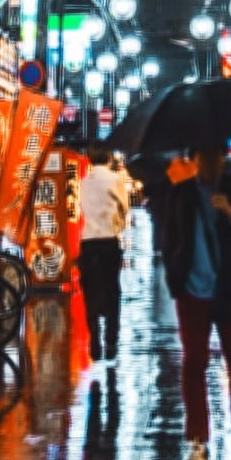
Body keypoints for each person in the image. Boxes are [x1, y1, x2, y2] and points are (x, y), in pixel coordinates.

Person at [161, 143, 231, 460]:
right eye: (203, 154)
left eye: (214, 154)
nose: (209, 160)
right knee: (195, 362)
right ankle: (197, 440)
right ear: (194, 158)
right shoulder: (183, 192)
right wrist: (174, 275)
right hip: (192, 289)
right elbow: (170, 236)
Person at [78, 146, 133, 365]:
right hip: (109, 240)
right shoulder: (114, 179)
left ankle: (94, 341)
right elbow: (125, 207)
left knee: (90, 292)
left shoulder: (84, 181)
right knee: (112, 291)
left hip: (88, 241)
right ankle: (111, 340)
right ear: (109, 157)